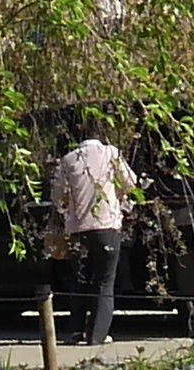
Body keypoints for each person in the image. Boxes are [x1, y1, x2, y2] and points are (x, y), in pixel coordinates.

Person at [46, 128, 142, 346]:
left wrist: (66, 210)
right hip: (106, 226)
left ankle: (76, 331)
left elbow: (57, 195)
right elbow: (130, 183)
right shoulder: (111, 153)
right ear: (101, 139)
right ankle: (97, 335)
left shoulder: (68, 160)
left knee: (80, 279)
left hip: (77, 229)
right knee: (104, 281)